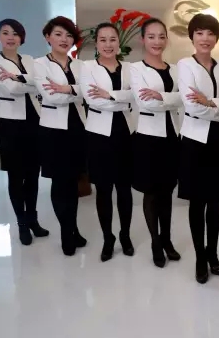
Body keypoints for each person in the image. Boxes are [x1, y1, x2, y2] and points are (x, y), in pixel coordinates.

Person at [177, 14, 219, 284]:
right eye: (200, 33)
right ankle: (200, 257)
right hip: (194, 140)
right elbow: (192, 106)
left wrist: (211, 102)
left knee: (216, 200)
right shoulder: (185, 65)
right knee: (197, 201)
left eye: (211, 33)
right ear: (192, 36)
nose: (205, 38)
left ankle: (213, 254)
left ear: (217, 38)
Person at [0, 19, 49, 245]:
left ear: (22, 38)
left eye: (15, 33)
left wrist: (18, 78)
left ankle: (33, 220)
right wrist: (27, 82)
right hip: (11, 124)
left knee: (32, 175)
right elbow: (10, 89)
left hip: (34, 121)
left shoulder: (30, 60)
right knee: (16, 176)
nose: (10, 37)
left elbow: (41, 84)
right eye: (5, 33)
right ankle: (21, 223)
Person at [80, 22, 136, 262]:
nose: (108, 44)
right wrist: (122, 99)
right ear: (96, 43)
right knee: (103, 190)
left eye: (112, 39)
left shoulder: (130, 68)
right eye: (103, 40)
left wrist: (110, 95)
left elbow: (136, 96)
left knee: (124, 189)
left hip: (126, 133)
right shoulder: (87, 67)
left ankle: (125, 235)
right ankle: (108, 238)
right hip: (99, 136)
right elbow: (94, 101)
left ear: (118, 42)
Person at [129, 18, 183, 268]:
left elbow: (185, 98)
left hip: (172, 135)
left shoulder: (175, 69)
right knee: (151, 192)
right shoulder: (135, 69)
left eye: (161, 36)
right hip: (148, 137)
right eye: (151, 36)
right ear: (143, 39)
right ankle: (155, 242)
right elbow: (145, 102)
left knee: (167, 190)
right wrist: (171, 99)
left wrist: (162, 96)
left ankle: (167, 239)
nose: (157, 41)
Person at [34, 16, 87, 256]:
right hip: (53, 129)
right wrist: (76, 92)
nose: (64, 39)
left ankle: (73, 228)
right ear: (48, 37)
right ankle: (67, 232)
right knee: (59, 182)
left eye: (68, 35)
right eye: (58, 34)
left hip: (78, 127)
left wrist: (67, 89)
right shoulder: (40, 64)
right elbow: (51, 97)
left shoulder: (79, 65)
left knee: (73, 181)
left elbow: (87, 94)